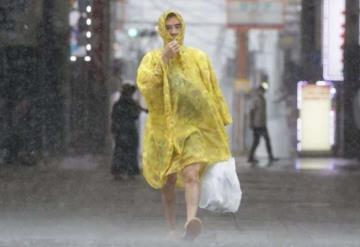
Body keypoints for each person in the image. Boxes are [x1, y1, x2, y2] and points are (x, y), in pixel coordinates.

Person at [136, 10, 232, 241]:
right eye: (168, 28)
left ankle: (191, 220)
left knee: (191, 173)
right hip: (164, 129)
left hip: (193, 128)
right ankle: (172, 226)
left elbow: (211, 90)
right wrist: (164, 60)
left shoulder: (199, 58)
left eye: (177, 27)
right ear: (162, 30)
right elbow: (147, 85)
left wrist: (221, 117)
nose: (173, 32)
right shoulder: (152, 59)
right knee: (168, 181)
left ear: (183, 28)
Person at [111, 83, 147, 180]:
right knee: (128, 151)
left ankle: (119, 171)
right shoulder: (129, 104)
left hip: (121, 130)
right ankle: (128, 171)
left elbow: (114, 117)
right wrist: (138, 110)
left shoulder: (119, 104)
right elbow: (134, 115)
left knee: (121, 151)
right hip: (128, 130)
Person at [248, 85, 278, 164]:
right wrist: (251, 123)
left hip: (261, 124)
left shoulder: (262, 99)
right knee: (264, 141)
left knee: (257, 142)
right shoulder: (257, 99)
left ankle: (251, 157)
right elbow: (251, 111)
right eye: (262, 90)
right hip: (257, 125)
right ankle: (270, 157)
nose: (264, 92)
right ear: (259, 91)